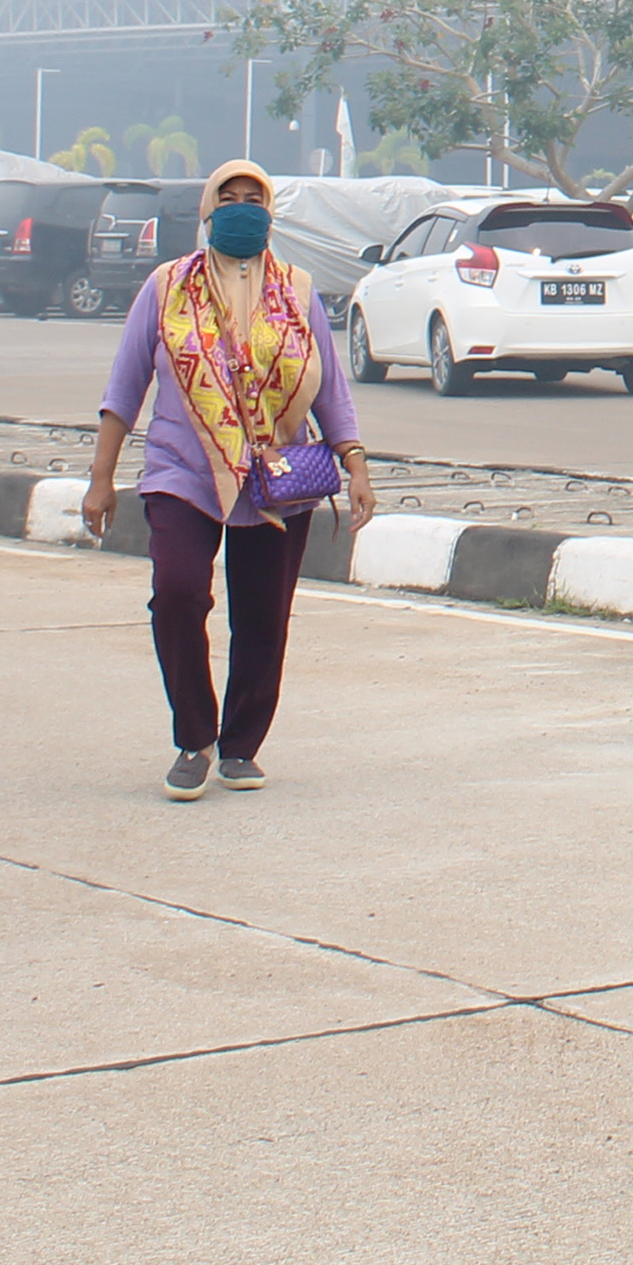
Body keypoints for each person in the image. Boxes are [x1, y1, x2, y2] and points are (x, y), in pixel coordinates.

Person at [82, 159, 371, 798]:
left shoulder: (297, 290)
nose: (243, 209)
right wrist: (101, 478)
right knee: (178, 593)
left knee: (264, 616)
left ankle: (241, 745)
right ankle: (195, 736)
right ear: (208, 212)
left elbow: (332, 390)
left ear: (270, 212)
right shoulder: (166, 287)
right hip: (182, 471)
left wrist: (355, 465)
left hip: (278, 476)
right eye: (229, 198)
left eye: (254, 198)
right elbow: (125, 387)